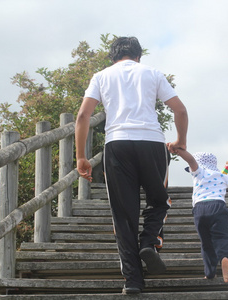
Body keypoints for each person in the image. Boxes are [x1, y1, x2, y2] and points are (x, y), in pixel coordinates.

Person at [75, 36, 188, 295]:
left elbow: (83, 115)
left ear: (113, 57)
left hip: (117, 146)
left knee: (123, 216)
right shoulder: (153, 74)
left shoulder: (101, 76)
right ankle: (149, 241)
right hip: (152, 143)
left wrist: (81, 156)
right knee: (159, 201)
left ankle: (133, 281)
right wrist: (180, 141)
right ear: (138, 56)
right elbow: (180, 110)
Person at [171, 149, 228, 283]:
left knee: (206, 243)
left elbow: (190, 160)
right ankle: (224, 257)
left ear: (198, 164)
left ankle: (210, 273)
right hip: (218, 207)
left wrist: (179, 150)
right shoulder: (221, 176)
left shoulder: (199, 172)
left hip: (200, 210)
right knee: (222, 237)